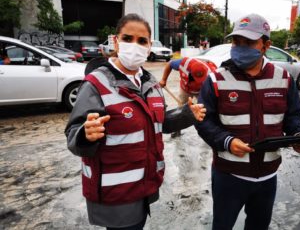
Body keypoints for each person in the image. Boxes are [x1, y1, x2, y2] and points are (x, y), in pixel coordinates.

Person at [65, 13, 206, 230]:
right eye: (128, 38)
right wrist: (85, 133)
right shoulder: (96, 83)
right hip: (115, 194)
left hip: (144, 187)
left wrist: (187, 114)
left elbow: (159, 123)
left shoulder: (150, 83)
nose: (135, 45)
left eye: (142, 41)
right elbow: (74, 135)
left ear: (149, 46)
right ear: (115, 41)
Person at [194, 13, 300, 230]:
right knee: (222, 225)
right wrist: (227, 141)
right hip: (229, 175)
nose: (240, 47)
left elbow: (293, 116)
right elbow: (203, 121)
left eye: (248, 42)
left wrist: (298, 136)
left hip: (268, 176)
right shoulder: (216, 79)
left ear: (266, 45)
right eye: (236, 41)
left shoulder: (283, 78)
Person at [159, 57, 216, 137]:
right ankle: (176, 130)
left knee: (204, 110)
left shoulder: (212, 72)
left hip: (201, 90)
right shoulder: (184, 63)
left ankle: (208, 132)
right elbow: (170, 64)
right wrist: (163, 80)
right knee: (180, 110)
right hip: (185, 88)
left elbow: (215, 89)